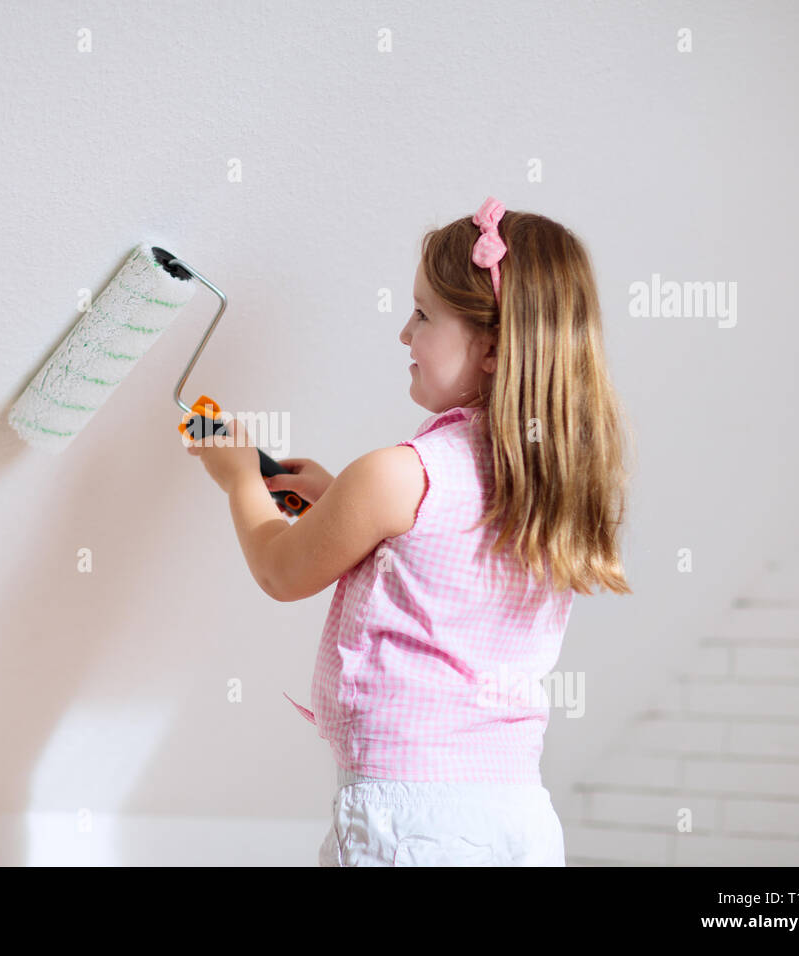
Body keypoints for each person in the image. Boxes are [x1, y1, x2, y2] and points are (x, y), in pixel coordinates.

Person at [184, 197, 633, 866]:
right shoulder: (556, 480)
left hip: (411, 817)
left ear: (491, 345)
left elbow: (281, 572)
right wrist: (338, 502)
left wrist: (240, 478)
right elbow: (436, 564)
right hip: (518, 816)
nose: (404, 334)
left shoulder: (399, 475)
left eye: (423, 314)